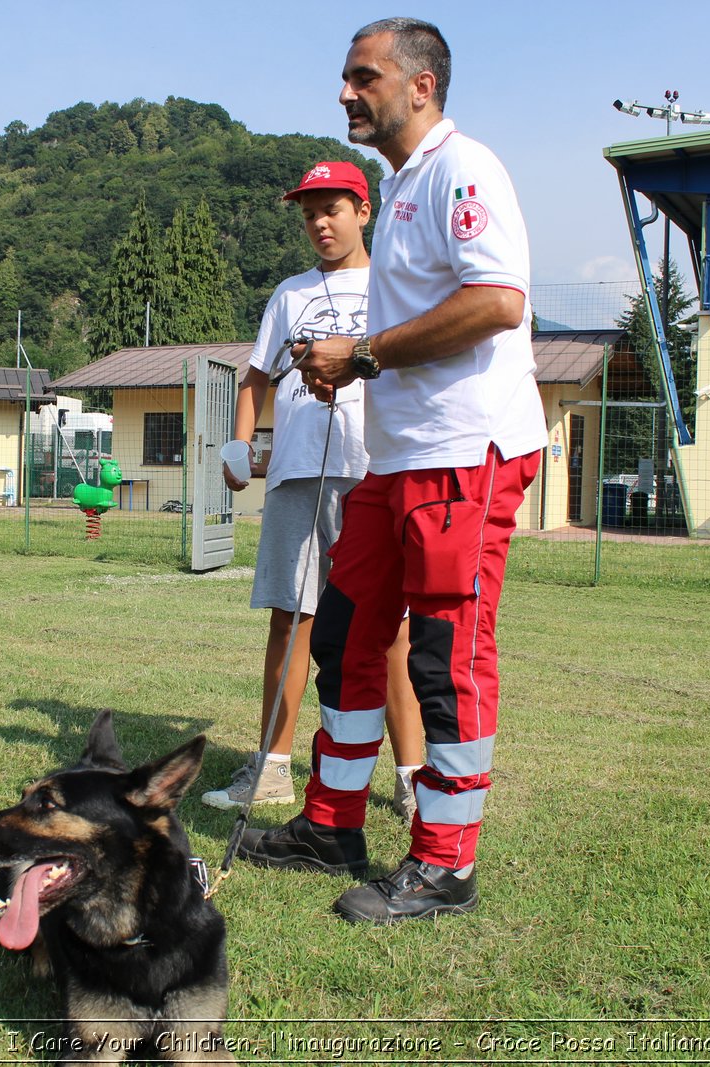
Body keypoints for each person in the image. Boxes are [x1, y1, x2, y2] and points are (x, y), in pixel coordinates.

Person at [238, 17, 547, 925]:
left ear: (420, 86)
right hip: (398, 457)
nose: (344, 92)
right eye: (344, 77)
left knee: (450, 657)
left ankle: (446, 862)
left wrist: (363, 354)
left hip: (466, 453)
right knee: (343, 629)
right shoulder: (402, 181)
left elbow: (497, 301)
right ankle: (332, 823)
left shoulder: (465, 167)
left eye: (361, 77)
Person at [201, 161, 424, 820]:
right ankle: (272, 767)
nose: (320, 223)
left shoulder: (395, 286)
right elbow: (255, 378)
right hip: (299, 472)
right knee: (291, 618)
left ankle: (412, 776)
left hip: (374, 471)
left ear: (364, 211)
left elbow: (416, 362)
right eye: (309, 213)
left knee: (390, 630)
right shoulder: (290, 294)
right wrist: (241, 441)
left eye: (333, 208)